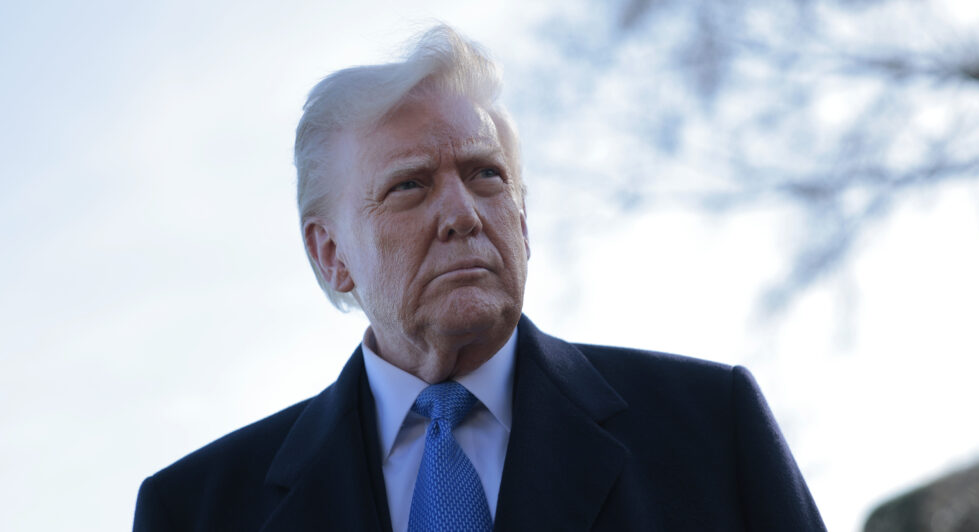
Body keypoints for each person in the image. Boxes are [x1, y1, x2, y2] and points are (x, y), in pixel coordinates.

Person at [133, 24, 826, 532]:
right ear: (330, 254)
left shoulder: (711, 429)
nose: (462, 214)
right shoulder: (196, 511)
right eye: (409, 186)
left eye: (486, 175)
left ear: (522, 219)